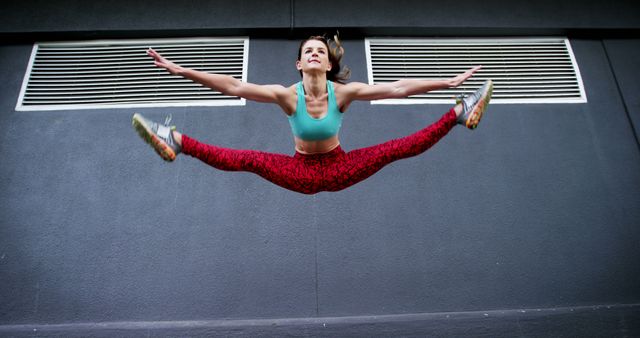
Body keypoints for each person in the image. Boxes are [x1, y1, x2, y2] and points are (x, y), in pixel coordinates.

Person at [132, 35, 493, 194]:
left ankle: (459, 111)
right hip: (299, 172)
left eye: (322, 50)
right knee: (247, 159)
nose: (316, 54)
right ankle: (175, 141)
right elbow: (233, 86)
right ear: (299, 63)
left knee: (393, 149)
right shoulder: (287, 95)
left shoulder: (345, 92)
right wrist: (183, 71)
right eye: (309, 51)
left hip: (340, 167)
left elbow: (397, 88)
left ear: (328, 61)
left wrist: (446, 82)